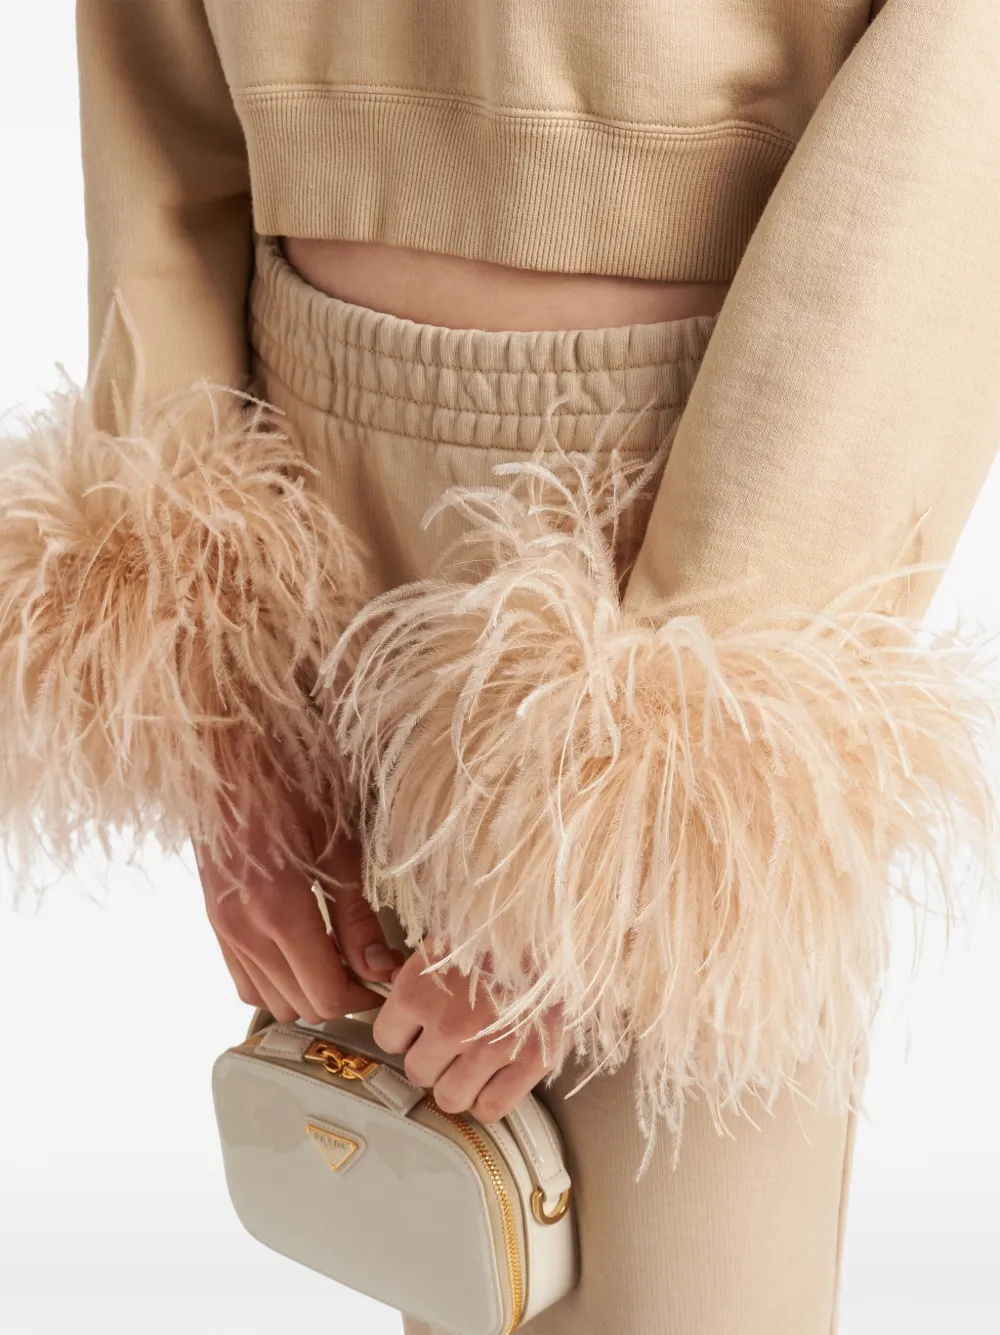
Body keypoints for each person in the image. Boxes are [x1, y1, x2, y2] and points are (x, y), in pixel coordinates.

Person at [2, 2, 999, 1331]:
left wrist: (627, 813)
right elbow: (150, 80)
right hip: (303, 477)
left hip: (688, 513)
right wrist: (208, 687)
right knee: (461, 1267)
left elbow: (961, 101)